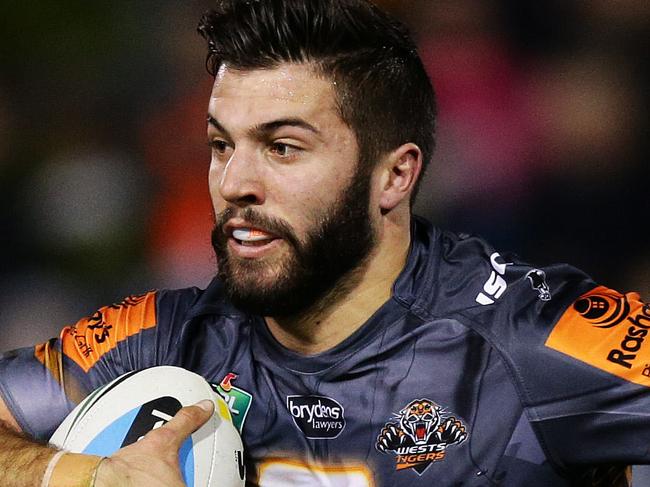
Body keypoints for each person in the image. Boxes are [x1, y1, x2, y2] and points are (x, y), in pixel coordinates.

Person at [0, 0, 646, 485]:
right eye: (222, 144)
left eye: (283, 147)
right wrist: (84, 474)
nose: (234, 182)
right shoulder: (170, 338)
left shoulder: (523, 340)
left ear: (394, 174)